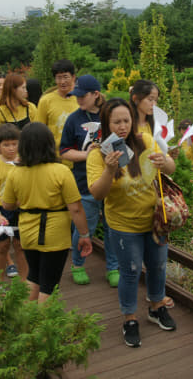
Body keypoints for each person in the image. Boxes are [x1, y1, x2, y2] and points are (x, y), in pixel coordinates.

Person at [87, 98, 177, 348]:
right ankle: (129, 318)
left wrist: (164, 162)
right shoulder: (97, 153)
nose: (122, 126)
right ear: (106, 123)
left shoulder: (145, 141)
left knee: (158, 266)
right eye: (116, 122)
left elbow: (171, 168)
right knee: (131, 272)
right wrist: (109, 169)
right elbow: (97, 194)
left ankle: (156, 306)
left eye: (126, 120)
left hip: (154, 220)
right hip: (123, 225)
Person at [1, 122, 92, 303]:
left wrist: (27, 199)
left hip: (27, 230)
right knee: (49, 285)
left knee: (33, 276)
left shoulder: (16, 173)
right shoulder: (61, 171)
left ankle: (26, 318)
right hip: (55, 233)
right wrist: (84, 234)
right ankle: (43, 326)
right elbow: (75, 208)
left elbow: (7, 205)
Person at [59, 75, 119, 287]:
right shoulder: (74, 119)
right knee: (85, 227)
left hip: (112, 181)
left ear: (96, 94)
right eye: (76, 96)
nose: (78, 99)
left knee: (112, 226)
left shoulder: (110, 115)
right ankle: (77, 264)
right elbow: (64, 151)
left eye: (82, 95)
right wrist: (89, 155)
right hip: (84, 182)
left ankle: (113, 267)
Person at [0, 123, 27, 280]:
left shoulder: (24, 162)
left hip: (20, 209)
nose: (11, 148)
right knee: (1, 247)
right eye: (6, 145)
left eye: (14, 144)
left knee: (20, 246)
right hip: (1, 209)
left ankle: (24, 283)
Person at [35, 59, 78, 163]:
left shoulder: (81, 98)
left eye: (65, 77)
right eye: (59, 78)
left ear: (73, 77)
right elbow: (38, 130)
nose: (62, 82)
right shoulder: (46, 100)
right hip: (55, 158)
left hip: (78, 157)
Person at [178, 119, 193, 187]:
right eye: (183, 128)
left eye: (187, 128)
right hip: (182, 173)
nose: (185, 130)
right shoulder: (180, 142)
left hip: (191, 173)